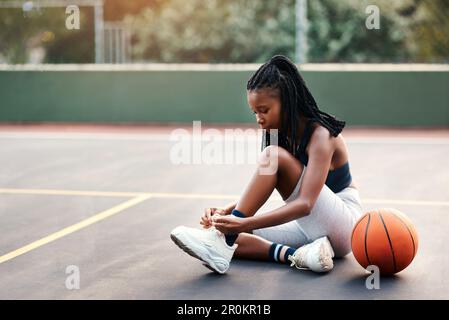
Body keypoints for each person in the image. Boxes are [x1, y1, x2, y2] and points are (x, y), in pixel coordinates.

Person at [170, 55, 363, 274]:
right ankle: (301, 256)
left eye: (264, 110)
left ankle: (220, 241)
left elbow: (306, 204)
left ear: (288, 103)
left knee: (235, 229)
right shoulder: (277, 134)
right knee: (230, 235)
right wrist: (229, 213)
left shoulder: (321, 135)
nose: (258, 118)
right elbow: (267, 192)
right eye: (255, 112)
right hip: (309, 225)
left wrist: (242, 222)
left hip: (344, 227)